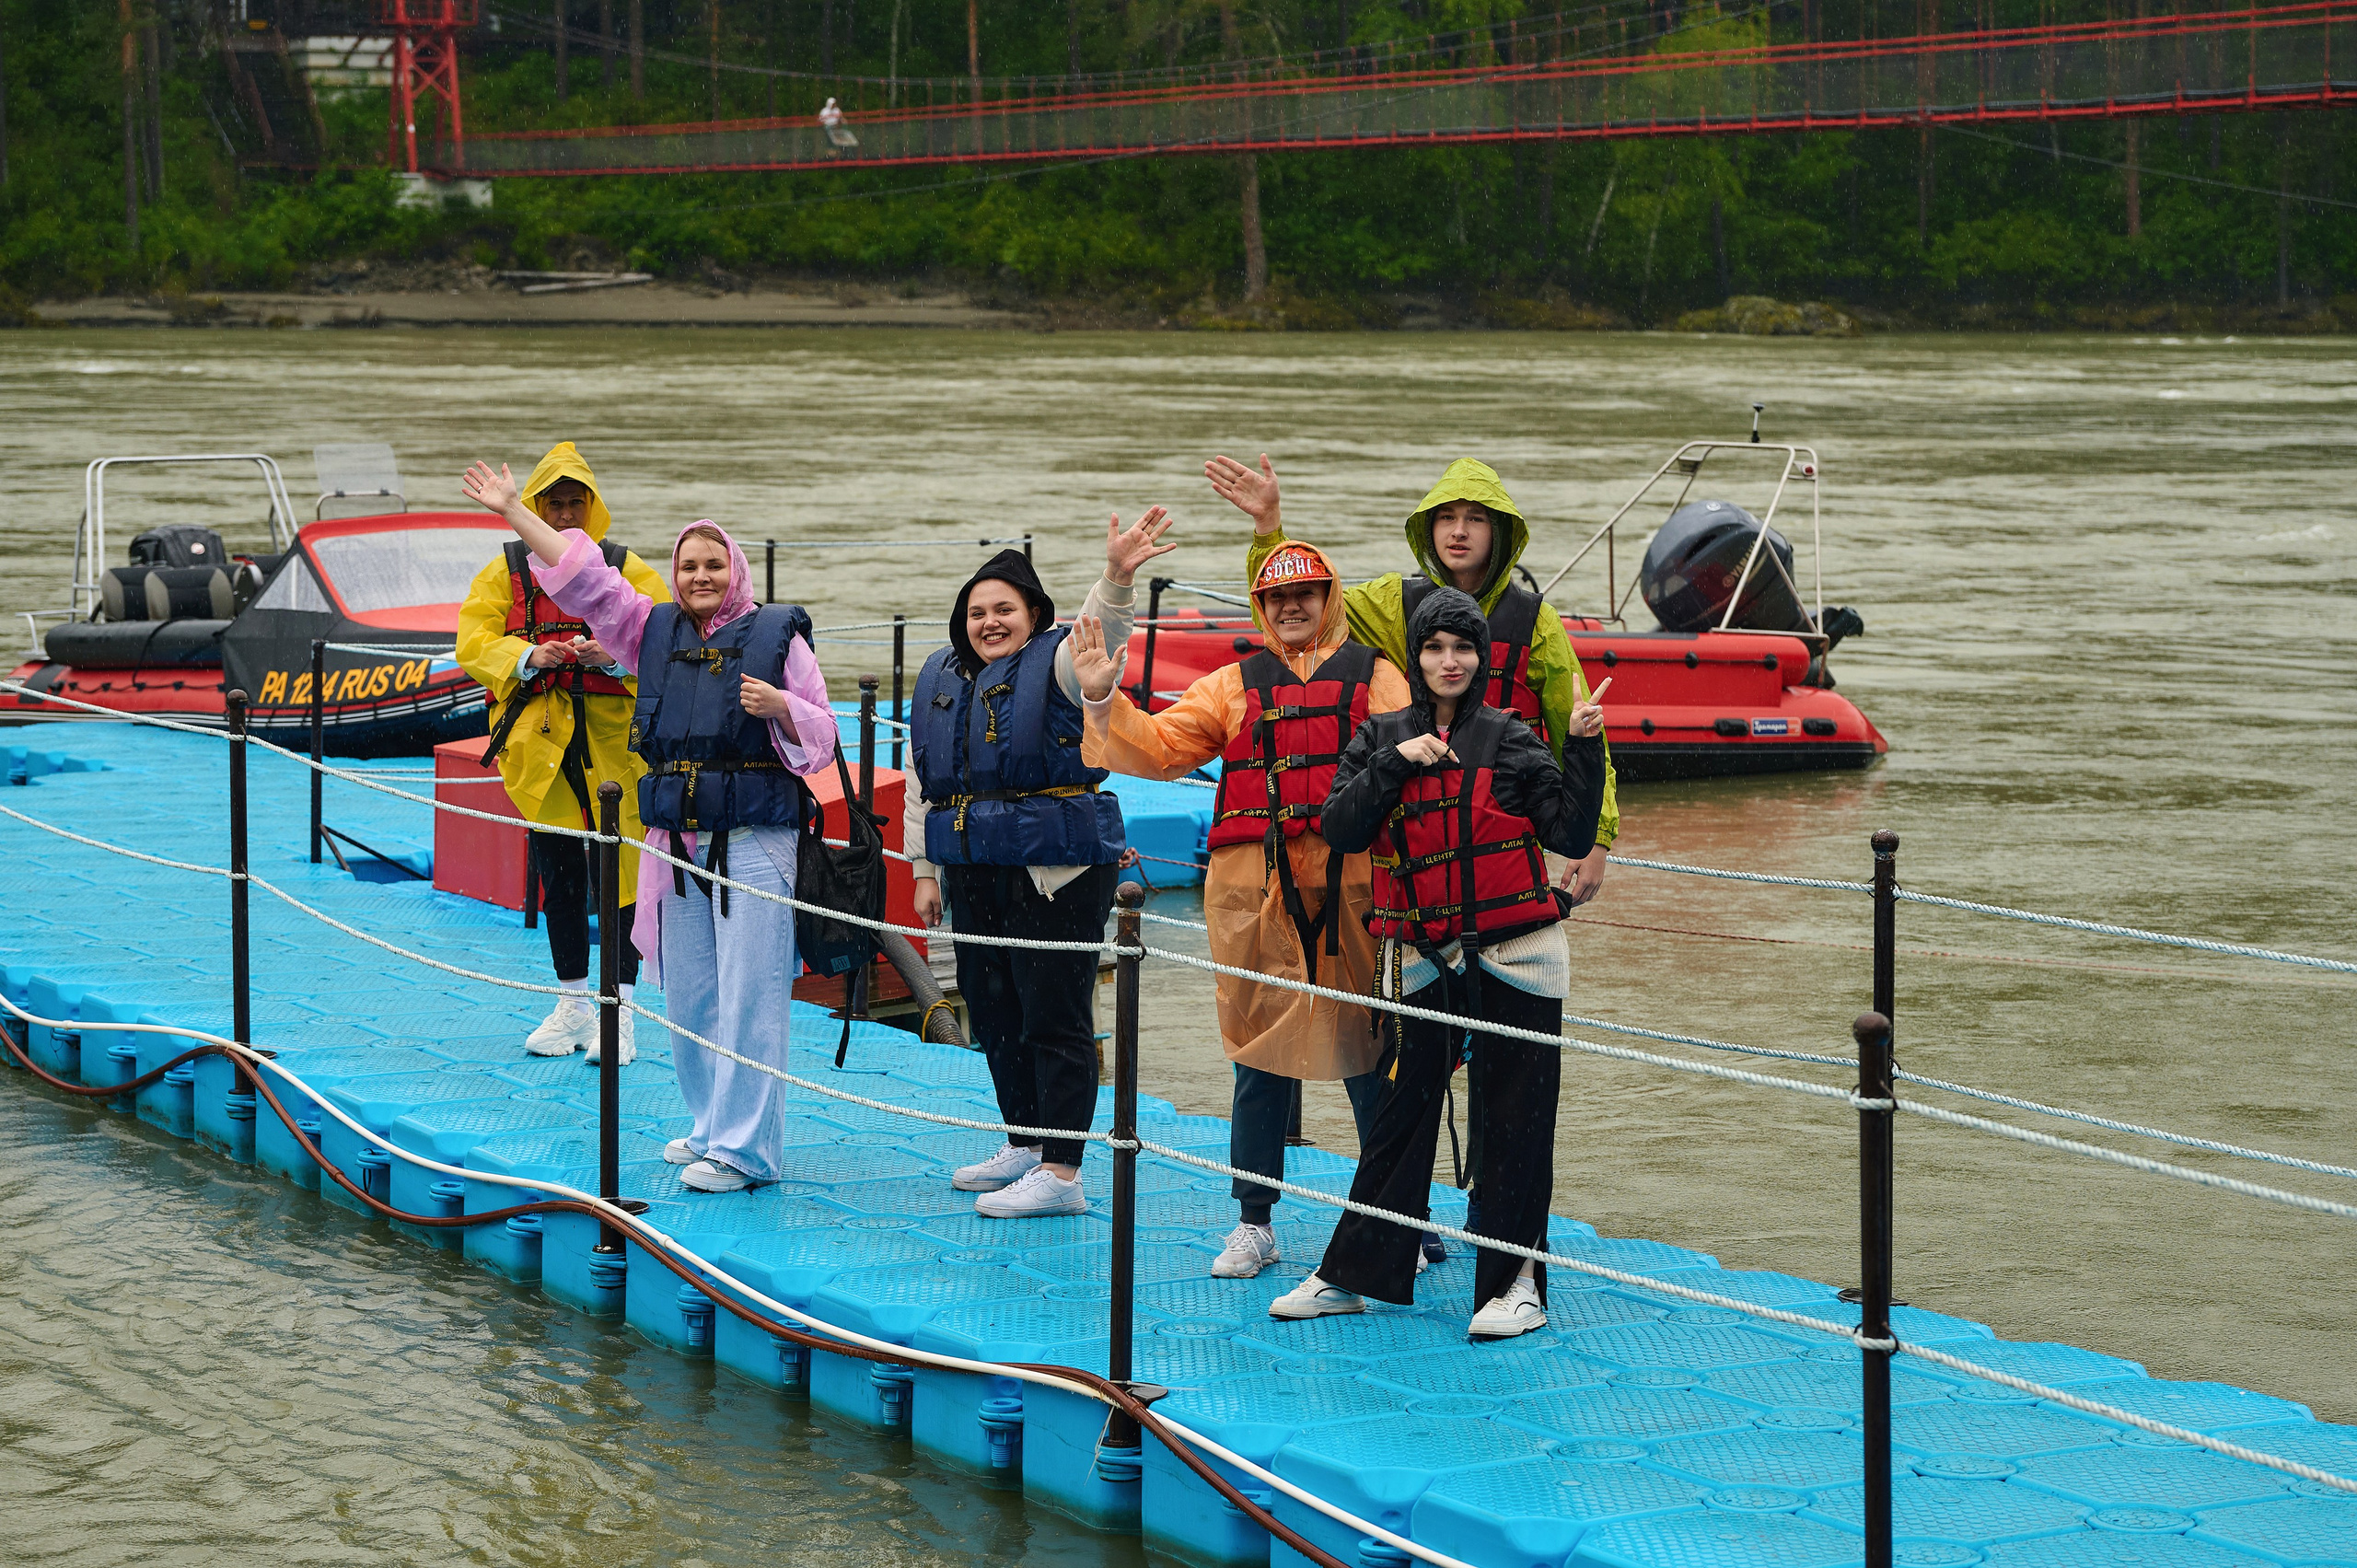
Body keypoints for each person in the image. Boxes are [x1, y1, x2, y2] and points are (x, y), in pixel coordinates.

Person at [462, 460, 838, 1195]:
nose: (700, 576)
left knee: (750, 995)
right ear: (675, 573)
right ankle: (708, 1126)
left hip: (757, 839)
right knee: (692, 991)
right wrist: (513, 509)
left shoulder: (779, 640)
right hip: (679, 839)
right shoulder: (651, 630)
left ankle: (747, 1151)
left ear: (735, 570)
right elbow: (586, 579)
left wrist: (783, 709)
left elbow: (823, 737)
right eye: (688, 565)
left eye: (713, 563)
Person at [1269, 586, 1607, 1341]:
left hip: (1518, 956)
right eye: (1434, 647)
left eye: (1463, 648)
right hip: (1423, 956)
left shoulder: (1513, 738)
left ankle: (1518, 1284)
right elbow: (1342, 827)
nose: (1449, 661)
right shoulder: (1381, 734)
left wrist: (1584, 745)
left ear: (1481, 658)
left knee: (1517, 1118)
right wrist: (1396, 761)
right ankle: (1353, 1275)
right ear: (1416, 657)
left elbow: (1569, 830)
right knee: (1402, 1113)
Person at [1071, 540, 1409, 1279]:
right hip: (1252, 894)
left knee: (1373, 1055)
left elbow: (1419, 767)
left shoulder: (1379, 679)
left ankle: (1398, 1216)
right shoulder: (1231, 685)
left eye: (1307, 594)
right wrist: (1103, 695)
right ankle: (1254, 1220)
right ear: (1260, 606)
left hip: (1355, 888)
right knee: (1257, 1055)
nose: (1292, 607)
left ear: (1330, 598)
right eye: (1277, 597)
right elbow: (1159, 748)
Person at [1210, 452, 1620, 908]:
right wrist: (1270, 529)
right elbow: (1293, 611)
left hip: (1502, 829)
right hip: (1415, 833)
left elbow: (1579, 730)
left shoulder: (1535, 621)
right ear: (1429, 529)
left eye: (1475, 519)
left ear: (1499, 532)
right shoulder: (1394, 603)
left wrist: (1596, 838)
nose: (1458, 531)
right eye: (1446, 518)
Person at [908, 513, 1172, 1219]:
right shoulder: (942, 676)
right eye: (977, 611)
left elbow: (1102, 630)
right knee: (993, 1009)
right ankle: (1025, 1142)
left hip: (1054, 869)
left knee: (1054, 1014)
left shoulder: (1058, 663)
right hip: (975, 864)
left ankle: (1062, 1170)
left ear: (1034, 615)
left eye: (1004, 610)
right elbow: (922, 782)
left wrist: (1117, 576)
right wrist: (924, 871)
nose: (990, 622)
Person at [455, 442, 668, 1064]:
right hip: (540, 750)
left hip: (615, 755)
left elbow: (665, 634)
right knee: (561, 879)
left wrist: (615, 652)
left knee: (623, 881)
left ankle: (619, 1014)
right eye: (555, 503)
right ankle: (573, 1004)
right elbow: (472, 638)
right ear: (538, 507)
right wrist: (527, 657)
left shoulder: (624, 567)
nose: (567, 513)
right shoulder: (507, 571)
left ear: (593, 507)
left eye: (578, 502)